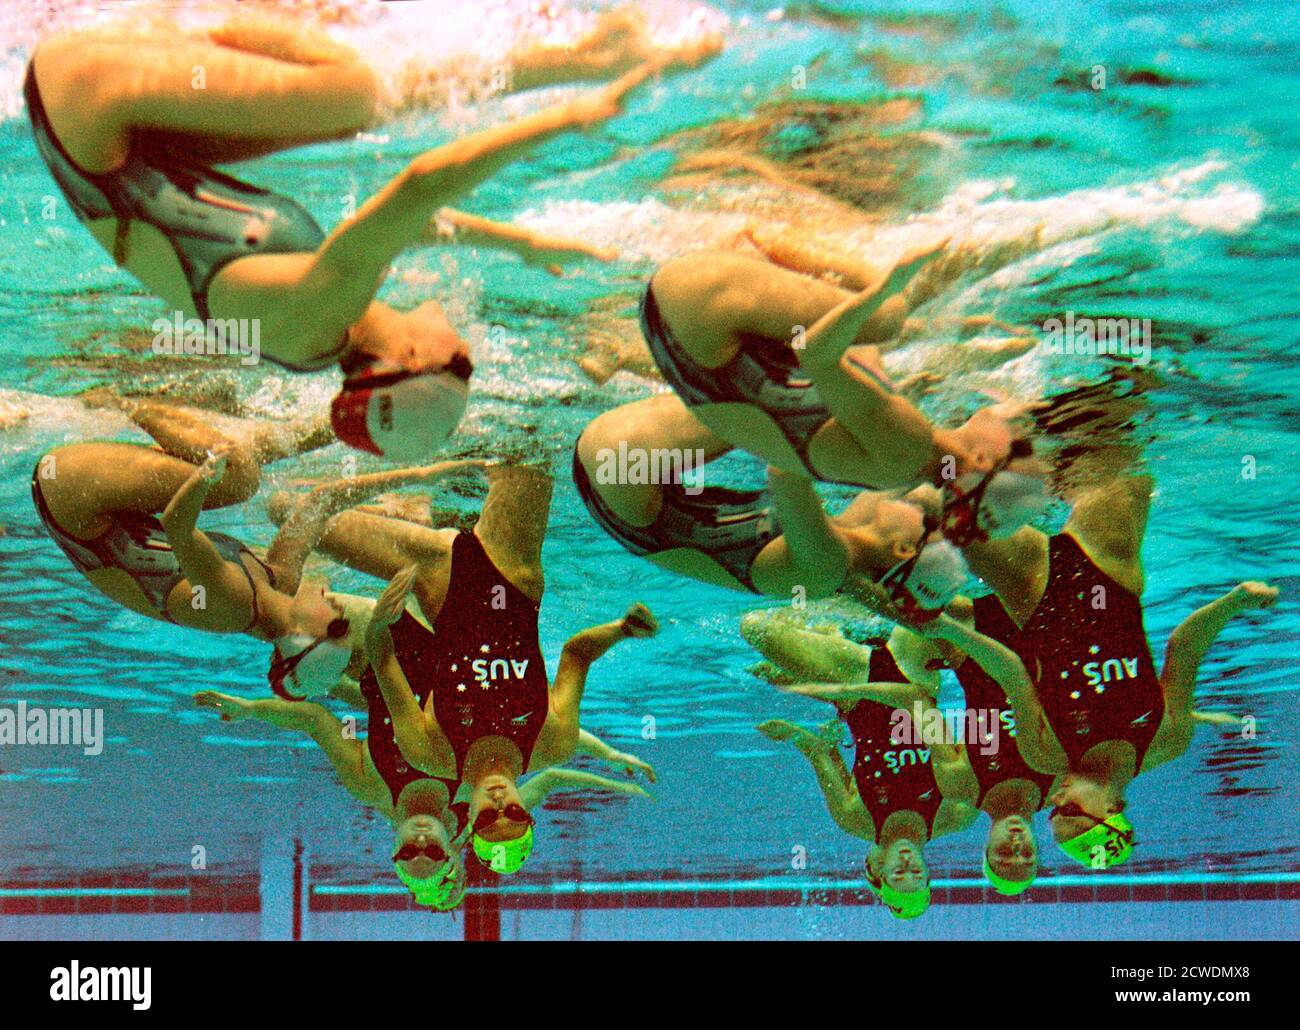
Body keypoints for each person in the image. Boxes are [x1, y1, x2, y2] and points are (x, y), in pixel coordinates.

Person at [24, 12, 684, 458]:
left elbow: (420, 187)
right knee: (349, 111)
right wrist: (520, 244)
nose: (465, 348)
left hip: (86, 101)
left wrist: (567, 121)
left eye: (460, 367)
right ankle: (574, 59)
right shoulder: (322, 331)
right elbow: (408, 228)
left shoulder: (319, 314)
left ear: (409, 362)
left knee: (352, 94)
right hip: (109, 140)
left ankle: (579, 65)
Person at [257, 462, 659, 877]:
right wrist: (622, 630)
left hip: (436, 575)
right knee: (522, 457)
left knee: (291, 513)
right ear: (527, 812)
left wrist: (381, 621)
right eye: (514, 816)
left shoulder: (430, 754)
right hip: (511, 572)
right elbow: (576, 654)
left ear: (472, 820)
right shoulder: (552, 743)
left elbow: (383, 660)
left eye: (488, 819)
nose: (500, 805)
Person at [901, 474, 1280, 869]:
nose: (1054, 801)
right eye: (1069, 813)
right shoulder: (1166, 740)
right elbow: (1184, 646)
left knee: (928, 503)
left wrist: (947, 630)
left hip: (1031, 588)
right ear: (1113, 807)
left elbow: (1011, 672)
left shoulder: (1046, 755)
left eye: (1053, 814)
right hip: (1109, 563)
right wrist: (1234, 603)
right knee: (1101, 441)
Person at [29, 396, 471, 697]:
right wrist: (420, 476)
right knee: (248, 459)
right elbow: (320, 503)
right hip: (113, 508)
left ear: (299, 637)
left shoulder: (229, 604)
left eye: (336, 630)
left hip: (72, 498)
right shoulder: (277, 581)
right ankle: (367, 414)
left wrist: (206, 475)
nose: (343, 615)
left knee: (238, 474)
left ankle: (124, 397)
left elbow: (177, 527)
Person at [743, 606, 1056, 896]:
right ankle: (837, 628)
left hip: (852, 680)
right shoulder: (959, 809)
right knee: (926, 607)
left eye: (898, 874)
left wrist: (797, 731)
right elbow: (940, 712)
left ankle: (828, 631)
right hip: (911, 670)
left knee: (756, 629)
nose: (907, 865)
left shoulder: (857, 821)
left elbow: (822, 752)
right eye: (916, 874)